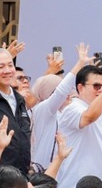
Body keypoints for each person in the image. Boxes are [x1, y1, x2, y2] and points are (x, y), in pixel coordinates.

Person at [29, 43, 91, 171]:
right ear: (48, 94)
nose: (67, 95)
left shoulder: (64, 111)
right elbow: (61, 92)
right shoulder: (42, 110)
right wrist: (79, 64)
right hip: (42, 173)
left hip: (61, 172)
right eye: (57, 91)